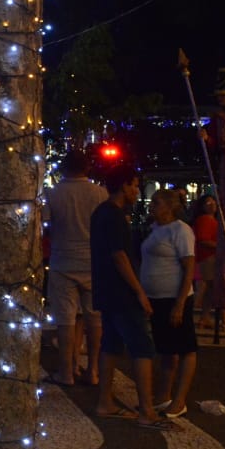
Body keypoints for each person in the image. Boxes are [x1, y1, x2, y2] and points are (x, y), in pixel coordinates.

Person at [90, 166, 172, 429]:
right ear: (123, 186)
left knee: (111, 344)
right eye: (134, 185)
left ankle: (105, 402)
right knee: (141, 347)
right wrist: (139, 291)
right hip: (122, 292)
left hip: (105, 289)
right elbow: (120, 256)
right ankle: (147, 410)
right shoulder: (114, 216)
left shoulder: (100, 213)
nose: (137, 191)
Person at [43, 149, 109, 387]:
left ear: (63, 168)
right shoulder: (100, 193)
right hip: (93, 261)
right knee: (95, 320)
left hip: (63, 260)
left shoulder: (53, 194)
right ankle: (92, 370)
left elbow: (44, 223)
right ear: (87, 168)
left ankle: (66, 372)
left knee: (65, 320)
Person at [143, 188, 197, 419]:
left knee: (185, 347)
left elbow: (189, 269)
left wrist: (180, 303)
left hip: (174, 297)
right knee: (166, 349)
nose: (151, 206)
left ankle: (180, 399)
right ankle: (163, 396)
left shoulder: (180, 230)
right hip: (157, 299)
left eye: (156, 202)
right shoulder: (155, 229)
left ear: (169, 206)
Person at [190, 195, 225, 333]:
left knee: (210, 289)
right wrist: (220, 247)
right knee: (213, 287)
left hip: (210, 257)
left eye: (213, 202)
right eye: (208, 202)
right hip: (208, 257)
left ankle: (204, 317)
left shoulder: (211, 219)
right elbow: (202, 239)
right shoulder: (205, 220)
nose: (212, 204)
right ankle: (217, 320)